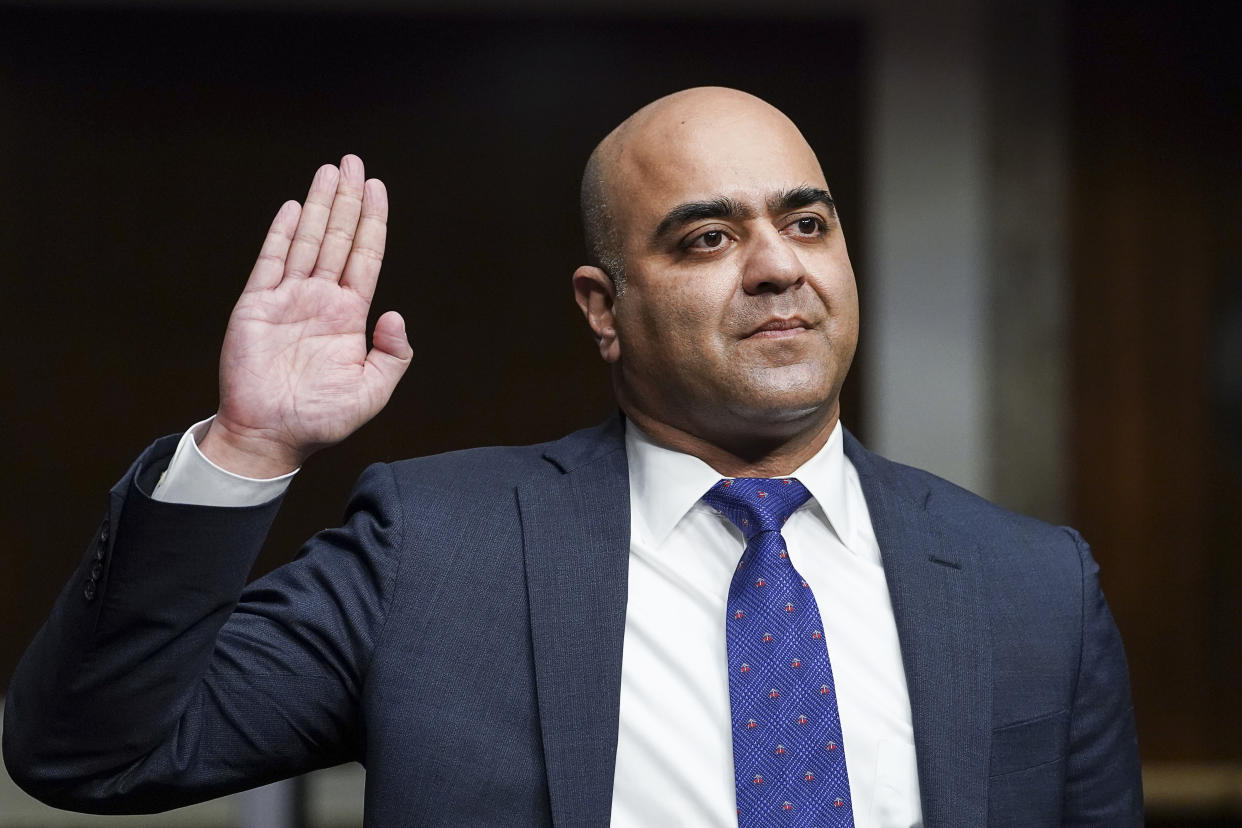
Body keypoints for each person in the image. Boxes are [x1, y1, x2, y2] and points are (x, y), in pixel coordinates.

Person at [3, 87, 1142, 826]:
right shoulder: (434, 551)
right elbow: (93, 754)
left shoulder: (1033, 584)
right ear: (604, 309)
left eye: (807, 223)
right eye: (707, 237)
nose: (778, 267)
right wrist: (246, 448)